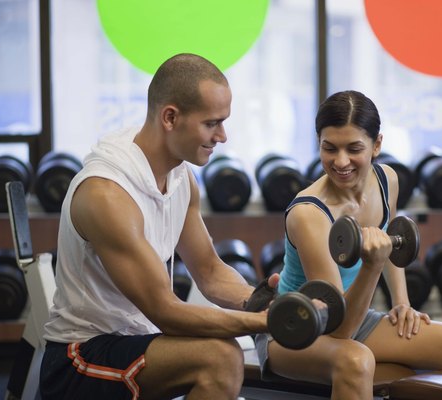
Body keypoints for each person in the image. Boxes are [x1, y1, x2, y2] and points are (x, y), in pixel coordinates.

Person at [40, 53, 278, 400]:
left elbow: (210, 271)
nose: (222, 136)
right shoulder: (107, 195)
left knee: (223, 353)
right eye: (212, 123)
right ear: (170, 117)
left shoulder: (180, 177)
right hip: (79, 358)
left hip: (140, 341)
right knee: (220, 358)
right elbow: (165, 311)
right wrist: (263, 323)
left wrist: (261, 301)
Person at [255, 90, 442, 400]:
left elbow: (392, 241)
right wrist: (371, 265)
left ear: (377, 145)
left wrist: (402, 302)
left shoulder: (387, 179)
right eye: (329, 148)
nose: (341, 161)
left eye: (354, 148)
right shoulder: (309, 214)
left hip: (355, 314)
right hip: (298, 326)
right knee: (357, 360)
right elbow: (338, 330)